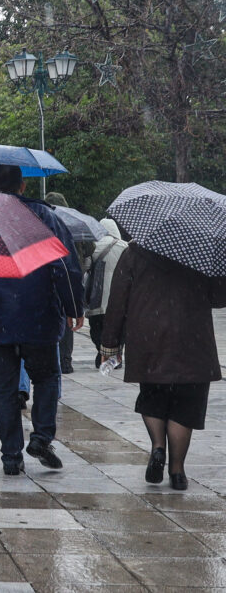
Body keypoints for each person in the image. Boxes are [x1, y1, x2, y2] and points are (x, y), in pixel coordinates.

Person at [0, 165, 84, 476]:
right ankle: (41, 438)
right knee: (46, 378)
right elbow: (64, 265)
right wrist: (74, 306)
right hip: (37, 314)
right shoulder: (44, 217)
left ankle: (10, 456)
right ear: (23, 185)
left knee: (3, 386)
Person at [99, 243, 226, 490]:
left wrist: (110, 344)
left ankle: (158, 447)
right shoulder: (201, 250)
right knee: (186, 405)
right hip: (192, 337)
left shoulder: (134, 252)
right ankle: (177, 471)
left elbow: (118, 299)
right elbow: (219, 296)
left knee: (153, 395)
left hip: (150, 336)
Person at [43, 192, 82, 374]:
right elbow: (85, 252)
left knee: (53, 322)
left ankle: (54, 360)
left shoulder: (43, 223)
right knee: (67, 321)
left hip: (48, 282)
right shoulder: (70, 225)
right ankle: (65, 361)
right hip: (67, 279)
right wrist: (75, 307)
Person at [85, 218, 128, 367]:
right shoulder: (125, 246)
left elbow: (86, 266)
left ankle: (101, 353)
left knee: (97, 327)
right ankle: (116, 355)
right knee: (118, 327)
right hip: (119, 295)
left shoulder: (94, 246)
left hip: (98, 295)